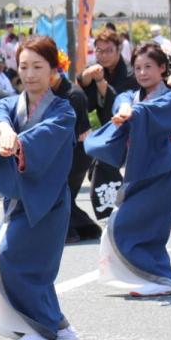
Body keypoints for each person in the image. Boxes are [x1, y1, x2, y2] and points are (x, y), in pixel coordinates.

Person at [0, 35, 80, 340]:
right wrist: (4, 131)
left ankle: (40, 330)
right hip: (19, 199)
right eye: (24, 66)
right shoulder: (8, 103)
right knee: (29, 265)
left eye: (38, 66)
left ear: (53, 69)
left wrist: (18, 142)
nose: (30, 73)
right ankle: (60, 326)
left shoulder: (64, 110)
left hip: (48, 201)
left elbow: (44, 138)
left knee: (12, 260)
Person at [84, 42, 171, 297]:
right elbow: (122, 99)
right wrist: (125, 108)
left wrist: (132, 112)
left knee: (143, 227)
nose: (142, 73)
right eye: (137, 67)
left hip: (162, 173)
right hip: (139, 173)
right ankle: (153, 276)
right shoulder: (132, 97)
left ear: (163, 68)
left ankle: (162, 278)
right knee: (129, 224)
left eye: (148, 67)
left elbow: (146, 111)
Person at [80, 28, 138, 219]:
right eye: (99, 51)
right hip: (102, 130)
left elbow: (120, 101)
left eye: (108, 51)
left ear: (119, 49)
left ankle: (121, 211)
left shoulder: (130, 72)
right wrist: (85, 81)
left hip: (128, 128)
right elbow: (83, 102)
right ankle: (116, 212)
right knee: (100, 168)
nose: (103, 56)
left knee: (105, 168)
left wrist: (101, 83)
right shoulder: (94, 68)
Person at [51, 58, 100, 242]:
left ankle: (68, 232)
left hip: (77, 153)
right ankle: (87, 228)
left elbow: (71, 131)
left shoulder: (73, 94)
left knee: (61, 194)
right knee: (65, 196)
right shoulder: (52, 91)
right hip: (67, 150)